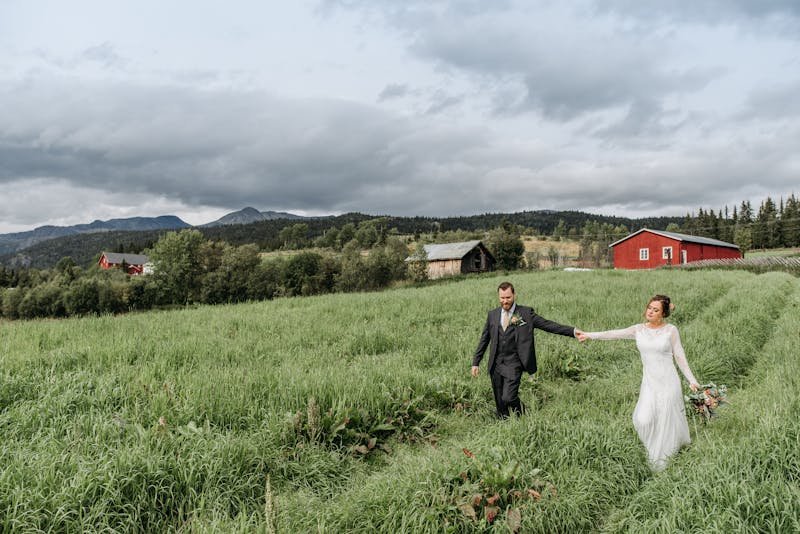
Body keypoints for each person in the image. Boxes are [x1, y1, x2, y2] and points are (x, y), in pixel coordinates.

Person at [577, 294, 700, 471]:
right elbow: (613, 334)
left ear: (663, 314)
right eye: (649, 308)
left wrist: (692, 380)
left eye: (655, 309)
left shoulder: (671, 330)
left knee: (665, 419)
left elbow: (680, 357)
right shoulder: (638, 329)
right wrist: (589, 335)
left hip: (668, 382)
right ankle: (655, 446)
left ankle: (662, 459)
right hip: (649, 383)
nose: (650, 311)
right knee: (642, 420)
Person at [471, 281, 582, 419]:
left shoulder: (525, 314)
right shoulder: (492, 315)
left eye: (508, 297)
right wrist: (476, 362)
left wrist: (572, 331)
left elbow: (548, 325)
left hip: (514, 363)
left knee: (509, 397)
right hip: (496, 364)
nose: (505, 301)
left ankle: (525, 414)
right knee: (500, 403)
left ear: (514, 295)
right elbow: (484, 339)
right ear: (498, 297)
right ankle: (504, 426)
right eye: (502, 298)